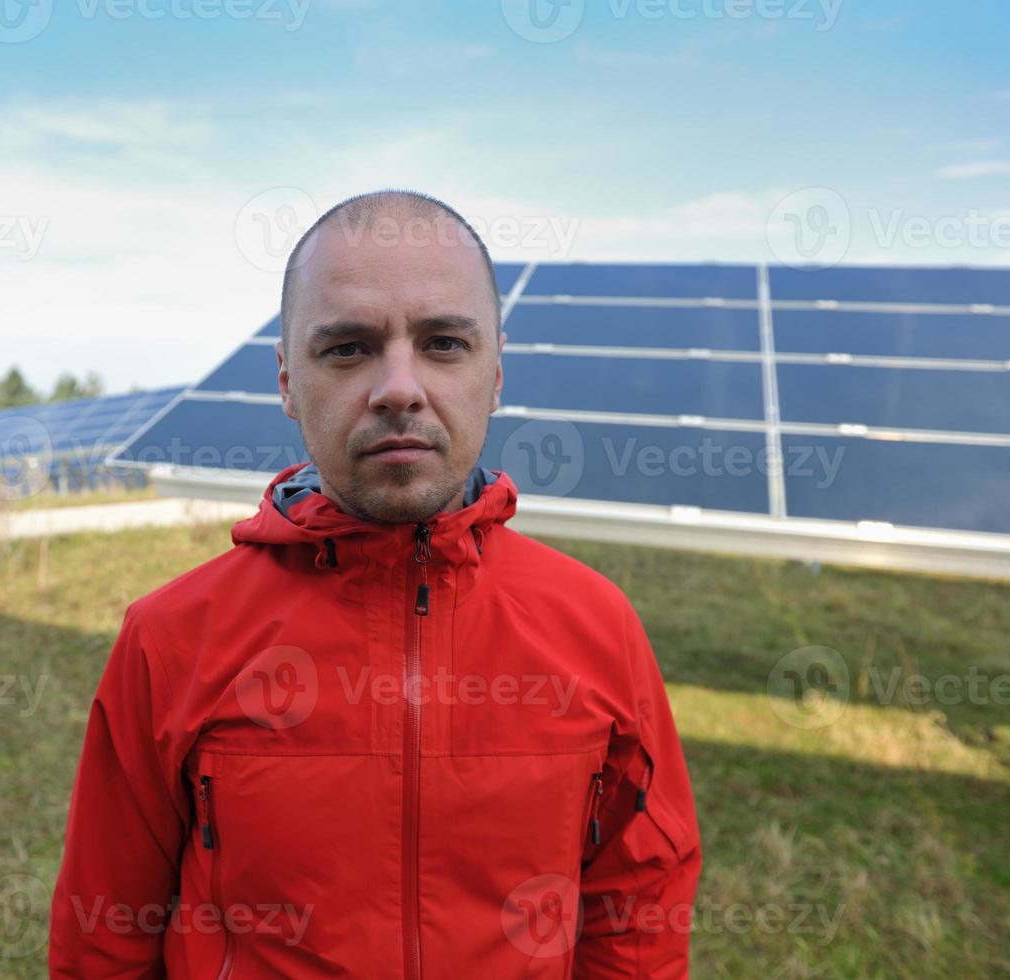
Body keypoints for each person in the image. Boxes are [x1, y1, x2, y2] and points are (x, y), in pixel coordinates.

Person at [49, 189, 702, 978]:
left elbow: (636, 902)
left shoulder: (597, 627)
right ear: (288, 382)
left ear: (495, 374)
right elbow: (106, 932)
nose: (399, 387)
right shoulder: (170, 639)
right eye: (349, 348)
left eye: (444, 344)